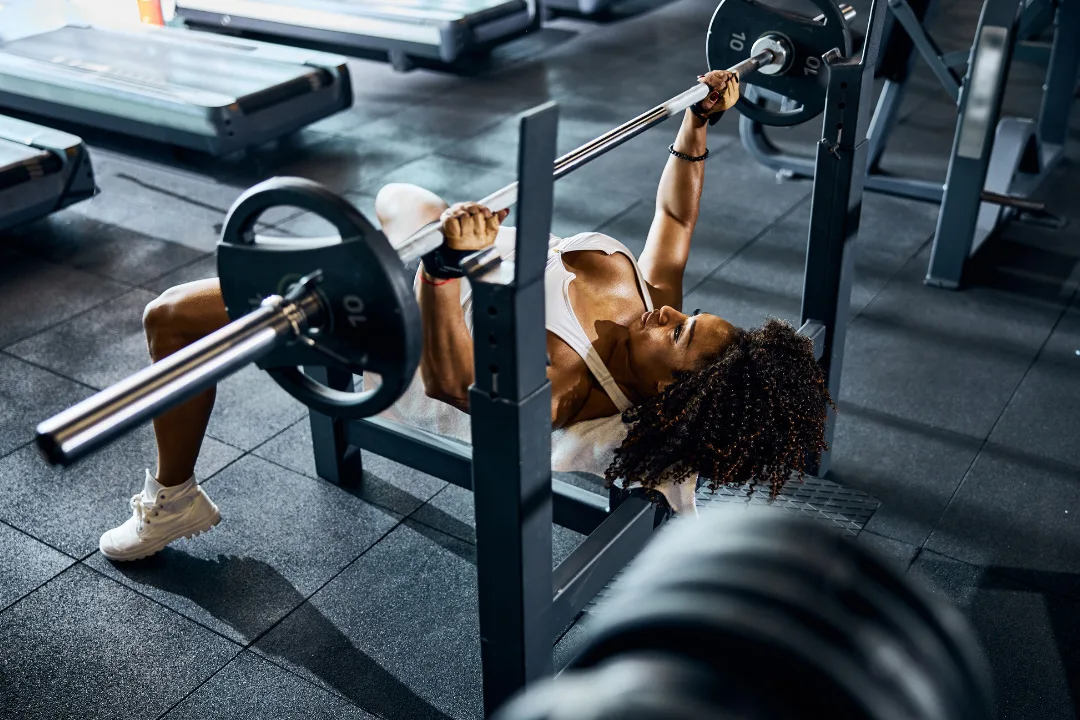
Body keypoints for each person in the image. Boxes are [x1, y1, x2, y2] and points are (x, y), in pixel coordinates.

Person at [99, 69, 832, 562]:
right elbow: (674, 219)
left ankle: (174, 500)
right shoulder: (647, 308)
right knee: (403, 197)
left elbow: (451, 380)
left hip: (405, 315)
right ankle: (379, 249)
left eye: (675, 333)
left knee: (168, 317)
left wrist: (443, 269)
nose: (667, 310)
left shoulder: (570, 381)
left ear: (670, 395)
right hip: (470, 247)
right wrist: (697, 126)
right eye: (685, 312)